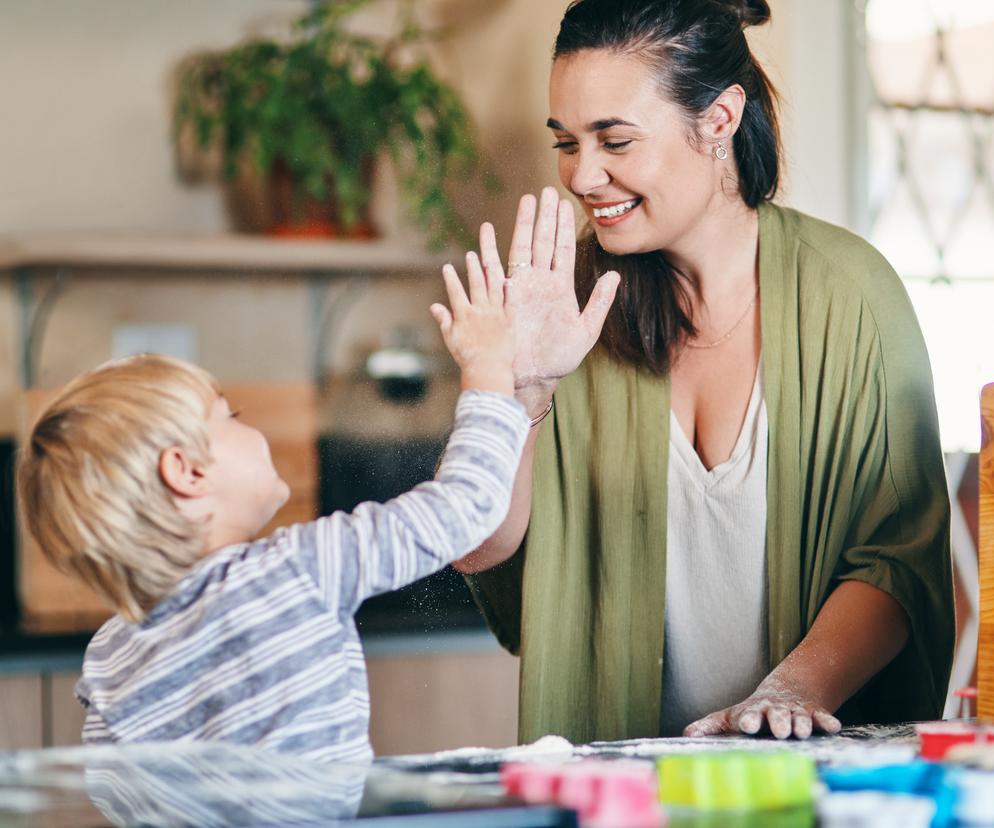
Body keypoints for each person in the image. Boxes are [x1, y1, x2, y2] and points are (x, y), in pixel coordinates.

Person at [456, 0, 954, 743]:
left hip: (812, 774)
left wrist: (790, 692)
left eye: (614, 140)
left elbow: (896, 561)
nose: (583, 176)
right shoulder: (561, 307)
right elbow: (478, 546)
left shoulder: (853, 296)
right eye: (566, 142)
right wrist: (520, 390)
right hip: (619, 787)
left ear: (719, 120)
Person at [16, 252, 601, 763]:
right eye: (231, 418)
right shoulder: (298, 569)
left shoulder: (110, 658)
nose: (252, 428)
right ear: (188, 472)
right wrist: (488, 373)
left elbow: (122, 795)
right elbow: (463, 508)